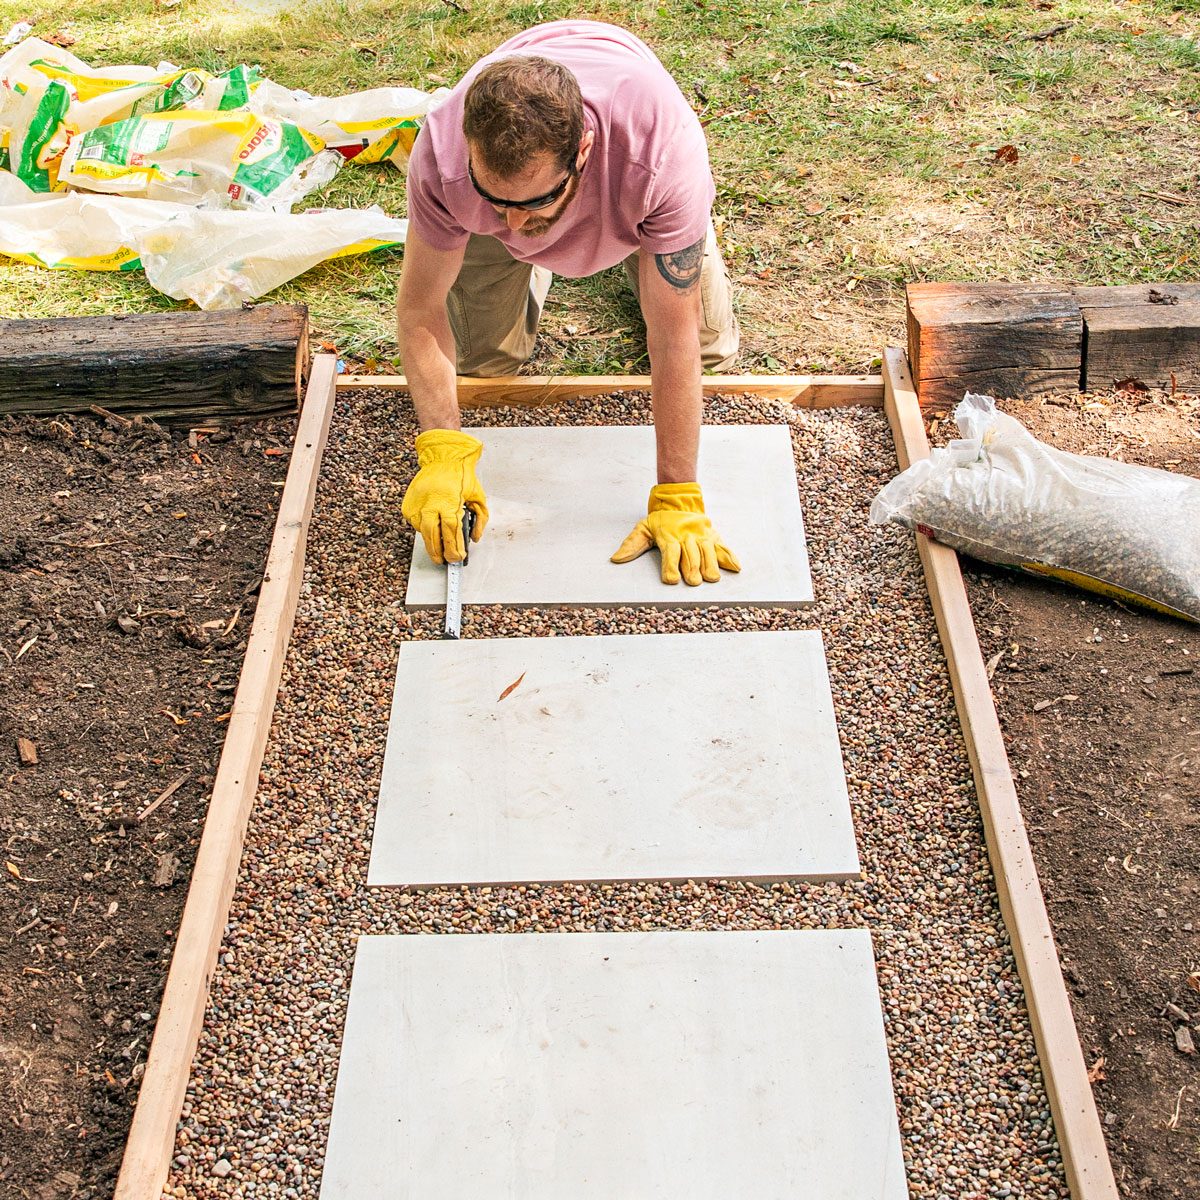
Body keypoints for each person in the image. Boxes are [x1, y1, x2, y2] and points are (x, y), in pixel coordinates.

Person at [396, 19, 741, 587]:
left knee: (707, 348)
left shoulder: (658, 154)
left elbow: (671, 337)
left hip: (635, 200)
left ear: (582, 150)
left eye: (533, 201)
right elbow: (419, 311)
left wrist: (677, 493)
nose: (512, 223)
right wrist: (442, 450)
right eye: (495, 201)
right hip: (550, 194)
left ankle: (647, 246)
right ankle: (546, 260)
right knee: (484, 364)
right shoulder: (443, 157)